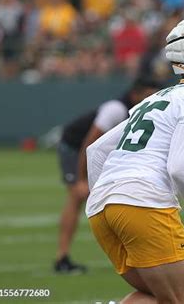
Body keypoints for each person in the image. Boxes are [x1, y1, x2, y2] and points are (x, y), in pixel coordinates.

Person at [85, 15, 184, 303]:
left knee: (157, 297)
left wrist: (108, 197)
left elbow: (96, 151)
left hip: (101, 211)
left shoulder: (154, 99)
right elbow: (181, 168)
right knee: (182, 301)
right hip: (144, 203)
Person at [55, 76, 161, 274]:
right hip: (75, 147)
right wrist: (80, 178)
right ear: (134, 94)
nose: (151, 100)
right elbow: (88, 143)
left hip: (96, 152)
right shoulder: (116, 109)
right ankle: (62, 257)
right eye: (147, 95)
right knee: (77, 197)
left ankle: (132, 255)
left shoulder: (141, 112)